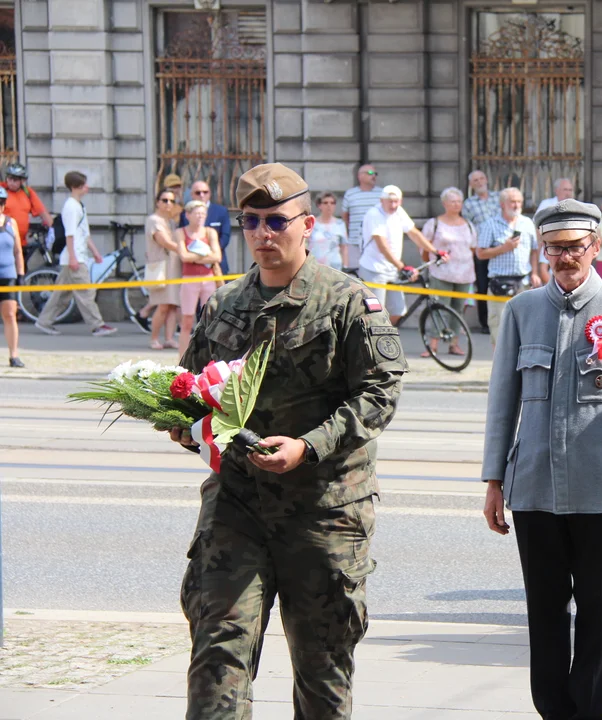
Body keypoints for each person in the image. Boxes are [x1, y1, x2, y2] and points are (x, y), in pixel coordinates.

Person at [169, 162, 407, 719]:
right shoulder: (225, 305)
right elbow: (190, 389)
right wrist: (183, 425)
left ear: (307, 225)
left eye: (276, 220)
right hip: (237, 507)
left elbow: (379, 393)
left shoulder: (348, 302)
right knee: (216, 659)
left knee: (323, 671)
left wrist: (310, 444)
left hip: (322, 511)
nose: (262, 234)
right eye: (251, 221)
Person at [481, 199, 602, 720]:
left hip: (598, 486)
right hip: (533, 484)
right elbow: (501, 403)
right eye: (555, 248)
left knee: (595, 611)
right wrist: (494, 481)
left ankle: (589, 709)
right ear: (543, 250)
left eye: (574, 247)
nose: (564, 257)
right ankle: (553, 710)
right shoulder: (522, 310)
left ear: (594, 248)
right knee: (544, 610)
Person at [34, 171, 116, 337]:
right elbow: (70, 234)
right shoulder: (71, 207)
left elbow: (83, 234)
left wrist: (94, 252)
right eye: (84, 184)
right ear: (75, 187)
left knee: (61, 295)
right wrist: (73, 257)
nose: (87, 187)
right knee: (85, 292)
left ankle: (44, 321)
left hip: (75, 256)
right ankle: (96, 325)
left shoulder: (77, 205)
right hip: (75, 257)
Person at [357, 185, 442, 325]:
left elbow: (414, 233)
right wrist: (402, 266)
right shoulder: (374, 214)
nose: (393, 205)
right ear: (381, 200)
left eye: (396, 201)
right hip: (374, 268)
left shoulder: (399, 212)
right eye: (390, 201)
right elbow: (382, 245)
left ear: (401, 201)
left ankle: (385, 338)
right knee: (375, 313)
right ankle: (371, 342)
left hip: (392, 270)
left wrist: (435, 251)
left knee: (398, 310)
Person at [476, 187, 541, 347]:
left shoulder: (527, 223)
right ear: (502, 204)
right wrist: (502, 248)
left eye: (519, 202)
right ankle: (500, 367)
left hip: (524, 283)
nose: (516, 205)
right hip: (500, 284)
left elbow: (534, 250)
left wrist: (535, 272)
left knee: (526, 326)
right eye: (512, 202)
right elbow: (480, 253)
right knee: (500, 328)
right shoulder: (490, 224)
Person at [421, 187, 477, 356]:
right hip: (441, 272)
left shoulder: (468, 225)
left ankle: (453, 343)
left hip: (464, 274)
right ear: (444, 203)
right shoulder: (434, 223)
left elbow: (473, 248)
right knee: (439, 307)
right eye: (452, 201)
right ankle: (433, 344)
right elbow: (424, 245)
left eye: (459, 201)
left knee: (458, 310)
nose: (456, 205)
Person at [174, 200, 222, 359]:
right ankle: (182, 359)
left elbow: (217, 256)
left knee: (209, 319)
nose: (201, 216)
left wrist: (193, 257)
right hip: (189, 279)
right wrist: (203, 256)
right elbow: (183, 256)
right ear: (188, 215)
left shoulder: (210, 232)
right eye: (197, 213)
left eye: (203, 213)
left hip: (208, 278)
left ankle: (208, 356)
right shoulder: (181, 232)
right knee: (187, 320)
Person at [462, 170, 502, 334]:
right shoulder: (468, 204)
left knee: (499, 283)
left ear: (486, 180)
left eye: (481, 179)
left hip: (500, 249)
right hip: (481, 250)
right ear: (471, 184)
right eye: (475, 180)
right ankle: (485, 323)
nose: (479, 182)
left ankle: (502, 320)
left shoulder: (499, 198)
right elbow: (467, 228)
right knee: (483, 286)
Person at [144, 188, 182, 351]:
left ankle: (169, 338)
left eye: (172, 201)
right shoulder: (154, 220)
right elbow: (164, 242)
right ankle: (154, 338)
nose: (168, 204)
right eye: (165, 200)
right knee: (162, 305)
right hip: (160, 267)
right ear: (157, 202)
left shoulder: (170, 221)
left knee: (173, 305)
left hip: (173, 266)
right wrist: (187, 251)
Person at [0, 187, 25, 367]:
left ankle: (13, 355)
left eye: (1, 202)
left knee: (10, 315)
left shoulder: (11, 223)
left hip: (7, 275)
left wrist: (21, 274)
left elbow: (17, 251)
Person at [342, 163, 382, 267]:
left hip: (376, 244)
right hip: (354, 243)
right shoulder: (350, 194)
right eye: (370, 173)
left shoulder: (382, 194)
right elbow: (345, 217)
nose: (373, 176)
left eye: (375, 173)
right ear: (360, 176)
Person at [188, 180, 233, 274]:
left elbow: (225, 236)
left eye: (205, 192)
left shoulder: (221, 211)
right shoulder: (186, 213)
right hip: (192, 265)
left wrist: (210, 254)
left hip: (216, 264)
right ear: (192, 194)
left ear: (210, 193)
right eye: (198, 192)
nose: (202, 195)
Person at [4, 163, 52, 248]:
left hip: (21, 242)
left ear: (22, 181)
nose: (11, 182)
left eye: (15, 180)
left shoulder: (28, 193)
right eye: (9, 179)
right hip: (3, 240)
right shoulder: (2, 190)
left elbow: (41, 210)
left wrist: (53, 228)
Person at [311, 192, 346, 270]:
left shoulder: (340, 224)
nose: (329, 205)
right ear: (319, 205)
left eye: (332, 203)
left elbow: (344, 247)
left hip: (335, 267)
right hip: (316, 266)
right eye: (325, 203)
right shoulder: (312, 224)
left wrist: (345, 266)